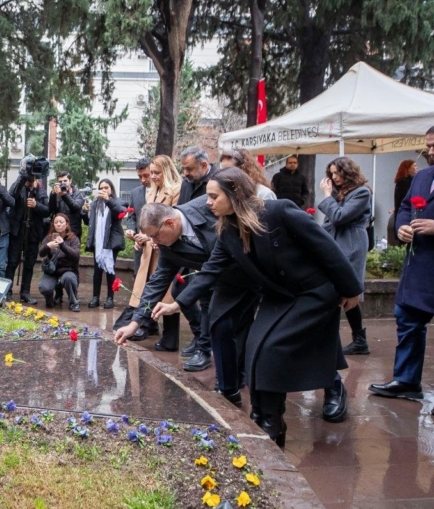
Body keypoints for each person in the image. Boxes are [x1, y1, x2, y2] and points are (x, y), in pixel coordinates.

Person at [150, 167, 362, 447]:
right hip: (279, 295)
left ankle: (275, 421)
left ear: (234, 194)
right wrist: (177, 304)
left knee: (274, 349)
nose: (208, 202)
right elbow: (210, 272)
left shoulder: (279, 211)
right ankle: (262, 417)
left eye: (214, 196)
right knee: (255, 350)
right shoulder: (227, 232)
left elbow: (327, 248)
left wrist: (352, 289)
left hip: (313, 292)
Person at [370, 122, 434, 419]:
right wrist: (402, 225)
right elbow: (405, 206)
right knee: (407, 323)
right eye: (428, 145)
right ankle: (406, 380)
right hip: (419, 267)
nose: (430, 152)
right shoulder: (424, 175)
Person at [114, 199, 259, 397]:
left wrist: (177, 304)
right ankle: (229, 388)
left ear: (170, 223)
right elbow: (157, 282)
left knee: (243, 329)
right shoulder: (167, 245)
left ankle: (240, 380)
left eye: (154, 236)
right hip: (219, 282)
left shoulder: (208, 209)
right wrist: (135, 322)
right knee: (221, 326)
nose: (154, 243)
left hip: (248, 271)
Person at [318, 157, 372, 356]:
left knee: (348, 288)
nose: (334, 177)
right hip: (336, 240)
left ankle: (359, 340)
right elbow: (330, 220)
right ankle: (357, 339)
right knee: (338, 289)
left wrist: (326, 195)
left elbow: (340, 217)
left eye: (338, 172)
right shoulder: (338, 193)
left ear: (348, 172)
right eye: (331, 173)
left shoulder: (362, 192)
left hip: (351, 242)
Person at [129, 155, 184, 348]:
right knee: (147, 288)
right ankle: (145, 323)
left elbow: (175, 221)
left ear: (167, 171)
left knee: (168, 293)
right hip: (149, 249)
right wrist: (140, 238)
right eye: (151, 172)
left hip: (165, 247)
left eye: (156, 173)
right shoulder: (151, 191)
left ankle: (170, 338)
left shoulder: (177, 190)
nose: (152, 177)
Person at [6, 163, 50, 304]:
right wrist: (22, 176)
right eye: (29, 179)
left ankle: (25, 292)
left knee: (29, 264)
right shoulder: (19, 186)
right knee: (12, 262)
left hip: (33, 232)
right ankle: (8, 291)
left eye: (33, 179)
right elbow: (11, 197)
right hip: (18, 231)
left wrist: (36, 205)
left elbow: (47, 211)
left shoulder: (41, 190)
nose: (31, 182)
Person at [82, 178, 125, 309]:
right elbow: (88, 223)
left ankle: (110, 298)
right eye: (101, 188)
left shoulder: (118, 202)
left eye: (106, 187)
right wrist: (85, 212)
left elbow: (120, 213)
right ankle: (95, 297)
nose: (103, 190)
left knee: (110, 269)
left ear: (111, 189)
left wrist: (108, 200)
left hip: (111, 242)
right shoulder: (95, 204)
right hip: (98, 241)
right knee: (97, 270)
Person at [38, 214, 82, 311]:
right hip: (52, 271)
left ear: (66, 225)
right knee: (44, 287)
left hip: (68, 271)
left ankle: (74, 303)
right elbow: (41, 253)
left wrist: (62, 245)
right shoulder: (49, 238)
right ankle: (50, 301)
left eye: (61, 222)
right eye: (56, 222)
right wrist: (48, 246)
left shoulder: (73, 239)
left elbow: (76, 256)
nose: (58, 224)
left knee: (68, 279)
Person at [128, 158, 152, 271]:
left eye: (146, 175)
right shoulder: (135, 193)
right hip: (140, 247)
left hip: (157, 248)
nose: (143, 180)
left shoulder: (165, 192)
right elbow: (131, 216)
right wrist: (131, 229)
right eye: (140, 176)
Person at [48, 171, 86, 240]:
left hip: (73, 232)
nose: (63, 183)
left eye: (65, 181)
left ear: (70, 181)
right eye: (60, 181)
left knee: (72, 251)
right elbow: (51, 210)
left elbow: (75, 207)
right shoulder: (57, 194)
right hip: (59, 231)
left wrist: (64, 194)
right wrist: (53, 195)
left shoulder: (78, 194)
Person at [387, 159, 417, 246]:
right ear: (407, 168)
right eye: (414, 166)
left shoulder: (409, 180)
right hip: (405, 214)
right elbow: (404, 200)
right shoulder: (404, 182)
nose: (417, 167)